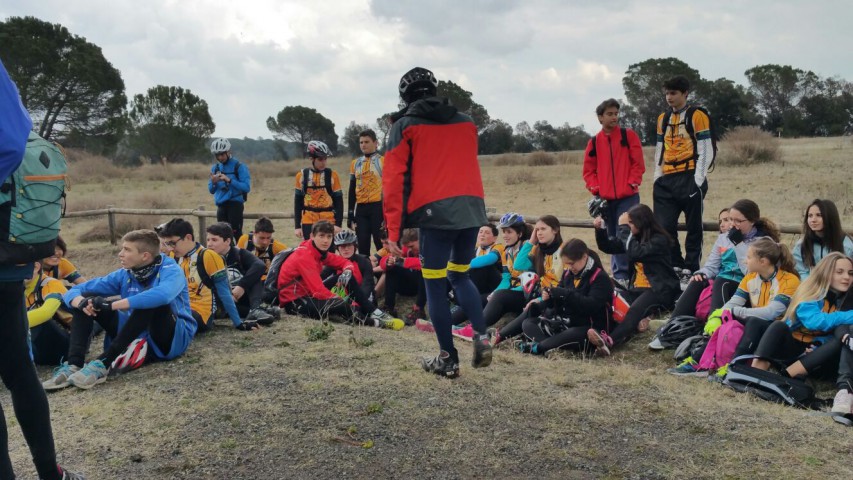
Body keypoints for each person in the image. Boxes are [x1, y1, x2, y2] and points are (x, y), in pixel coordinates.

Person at [0, 57, 84, 480]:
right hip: (11, 248)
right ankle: (52, 473)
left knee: (16, 371)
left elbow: (12, 149)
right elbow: (18, 138)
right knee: (19, 370)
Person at [383, 66, 491, 378]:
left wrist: (392, 230)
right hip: (472, 209)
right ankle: (482, 336)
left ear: (404, 96)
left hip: (435, 213)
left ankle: (447, 358)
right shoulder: (467, 122)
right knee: (460, 276)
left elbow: (392, 181)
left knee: (434, 283)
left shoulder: (404, 126)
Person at [41, 230, 197, 394]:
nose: (120, 254)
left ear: (145, 256)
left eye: (127, 250)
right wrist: (82, 302)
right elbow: (77, 289)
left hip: (169, 338)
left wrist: (112, 305)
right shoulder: (126, 273)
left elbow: (163, 295)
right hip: (133, 333)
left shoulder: (171, 269)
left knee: (152, 300)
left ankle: (104, 362)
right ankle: (74, 364)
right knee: (86, 298)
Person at [668, 237, 800, 375]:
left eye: (749, 257)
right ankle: (696, 362)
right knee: (727, 319)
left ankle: (734, 367)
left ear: (763, 262)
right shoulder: (750, 277)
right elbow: (734, 302)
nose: (744, 260)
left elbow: (771, 313)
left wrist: (733, 311)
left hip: (781, 334)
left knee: (752, 321)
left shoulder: (789, 280)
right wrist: (719, 315)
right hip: (758, 327)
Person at [749, 253, 853, 415]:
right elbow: (815, 321)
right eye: (839, 272)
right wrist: (849, 315)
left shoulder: (844, 299)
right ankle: (756, 375)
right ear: (826, 272)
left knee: (839, 339)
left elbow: (835, 331)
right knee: (778, 326)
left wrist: (820, 343)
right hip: (790, 348)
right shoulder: (812, 292)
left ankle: (790, 375)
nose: (846, 277)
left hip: (815, 355)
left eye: (850, 273)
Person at [663, 199, 781, 329]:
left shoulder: (763, 242)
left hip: (749, 288)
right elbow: (711, 266)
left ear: (752, 221)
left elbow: (750, 273)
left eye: (738, 221)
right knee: (698, 280)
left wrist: (739, 244)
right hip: (724, 284)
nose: (732, 225)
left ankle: (715, 329)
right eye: (730, 219)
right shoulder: (723, 238)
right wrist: (702, 273)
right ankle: (670, 328)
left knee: (721, 280)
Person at [589, 204, 680, 356]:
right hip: (636, 290)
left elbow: (636, 253)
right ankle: (600, 334)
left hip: (660, 289)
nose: (628, 226)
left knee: (634, 311)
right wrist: (601, 229)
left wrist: (624, 228)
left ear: (642, 222)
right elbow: (607, 247)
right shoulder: (634, 239)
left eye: (631, 223)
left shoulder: (659, 240)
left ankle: (609, 342)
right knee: (612, 303)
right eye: (628, 223)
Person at [277, 221, 403, 330]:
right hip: (295, 302)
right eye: (321, 236)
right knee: (340, 305)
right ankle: (375, 323)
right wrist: (344, 301)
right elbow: (318, 291)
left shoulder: (317, 251)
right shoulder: (305, 256)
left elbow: (343, 262)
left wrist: (347, 271)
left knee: (346, 279)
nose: (325, 240)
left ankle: (374, 312)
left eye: (329, 236)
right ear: (312, 236)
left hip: (308, 294)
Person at [462, 215, 564, 341]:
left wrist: (538, 298)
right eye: (537, 230)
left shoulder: (562, 252)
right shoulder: (537, 250)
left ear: (555, 230)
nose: (539, 233)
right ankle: (461, 325)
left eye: (543, 229)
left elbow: (561, 284)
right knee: (491, 296)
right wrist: (532, 241)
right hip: (535, 295)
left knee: (500, 296)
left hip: (545, 297)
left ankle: (483, 331)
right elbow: (518, 266)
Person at [505, 239, 614, 356]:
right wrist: (550, 297)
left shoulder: (600, 277)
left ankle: (539, 347)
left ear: (584, 257)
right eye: (567, 264)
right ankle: (553, 347)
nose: (570, 267)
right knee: (528, 323)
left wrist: (565, 294)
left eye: (572, 263)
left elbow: (591, 306)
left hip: (588, 327)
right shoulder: (568, 274)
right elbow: (558, 302)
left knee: (573, 334)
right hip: (564, 323)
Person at [653, 75, 713, 274]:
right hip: (666, 178)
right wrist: (657, 176)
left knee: (693, 227)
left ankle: (691, 267)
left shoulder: (697, 115)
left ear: (685, 93)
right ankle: (675, 265)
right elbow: (660, 148)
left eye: (673, 93)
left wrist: (698, 179)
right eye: (667, 93)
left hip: (690, 175)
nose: (669, 97)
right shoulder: (663, 118)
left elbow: (706, 148)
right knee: (663, 226)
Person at [583, 98, 645, 285]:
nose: (614, 117)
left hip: (628, 197)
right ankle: (620, 277)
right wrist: (596, 189)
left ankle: (633, 274)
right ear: (600, 117)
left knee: (630, 233)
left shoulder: (629, 136)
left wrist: (631, 183)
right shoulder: (594, 143)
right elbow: (588, 171)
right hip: (606, 200)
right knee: (612, 237)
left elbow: (638, 163)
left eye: (616, 113)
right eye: (609, 114)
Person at [157, 218, 258, 333]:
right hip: (178, 307)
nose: (170, 248)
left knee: (168, 318)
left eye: (172, 243)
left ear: (188, 238)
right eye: (167, 244)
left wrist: (239, 323)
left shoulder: (208, 256)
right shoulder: (172, 255)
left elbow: (224, 293)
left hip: (201, 314)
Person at [205, 222, 274, 323]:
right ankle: (259, 311)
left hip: (242, 298)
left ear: (227, 241)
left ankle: (256, 309)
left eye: (214, 240)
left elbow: (260, 265)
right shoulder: (205, 258)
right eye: (208, 240)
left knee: (255, 275)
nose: (209, 244)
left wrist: (242, 286)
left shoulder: (239, 253)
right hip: (222, 302)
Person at [294, 140, 343, 241]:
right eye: (320, 159)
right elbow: (298, 202)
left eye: (325, 159)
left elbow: (339, 202)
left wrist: (338, 224)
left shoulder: (333, 175)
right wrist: (297, 226)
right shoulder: (301, 176)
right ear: (311, 158)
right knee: (310, 252)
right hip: (308, 220)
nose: (323, 162)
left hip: (328, 219)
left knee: (329, 253)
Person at [793, 199, 853, 280]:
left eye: (819, 215)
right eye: (810, 216)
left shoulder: (846, 245)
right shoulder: (801, 245)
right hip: (811, 289)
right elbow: (800, 272)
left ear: (830, 217)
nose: (813, 220)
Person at [26, 260, 71, 366]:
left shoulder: (52, 284)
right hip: (39, 352)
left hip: (67, 348)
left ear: (36, 267)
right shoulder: (17, 288)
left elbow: (46, 312)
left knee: (40, 320)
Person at [347, 129, 385, 255]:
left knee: (380, 242)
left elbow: (389, 188)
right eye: (361, 142)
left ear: (375, 143)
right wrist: (351, 212)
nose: (363, 145)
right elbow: (352, 189)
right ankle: (366, 274)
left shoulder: (384, 161)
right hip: (361, 209)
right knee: (362, 244)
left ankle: (383, 274)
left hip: (378, 207)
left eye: (367, 142)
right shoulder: (355, 163)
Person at [379, 228, 426, 323]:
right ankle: (389, 308)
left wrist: (402, 261)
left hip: (424, 285)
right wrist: (388, 262)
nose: (410, 249)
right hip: (409, 283)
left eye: (412, 246)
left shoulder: (428, 246)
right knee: (392, 268)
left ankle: (419, 310)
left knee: (424, 271)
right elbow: (385, 261)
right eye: (408, 247)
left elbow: (426, 263)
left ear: (420, 240)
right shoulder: (406, 248)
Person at [208, 138, 251, 238]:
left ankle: (240, 253)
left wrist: (229, 180)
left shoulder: (239, 166)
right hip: (221, 205)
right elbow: (211, 190)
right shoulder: (215, 168)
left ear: (228, 152)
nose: (220, 157)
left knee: (236, 235)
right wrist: (214, 183)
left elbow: (246, 187)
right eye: (217, 155)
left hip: (235, 204)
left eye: (222, 154)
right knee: (222, 236)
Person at [236, 216, 288, 282]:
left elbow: (291, 259)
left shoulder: (276, 246)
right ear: (254, 233)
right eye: (262, 238)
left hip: (265, 281)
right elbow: (236, 260)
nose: (265, 242)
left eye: (268, 238)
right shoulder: (244, 240)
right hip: (245, 279)